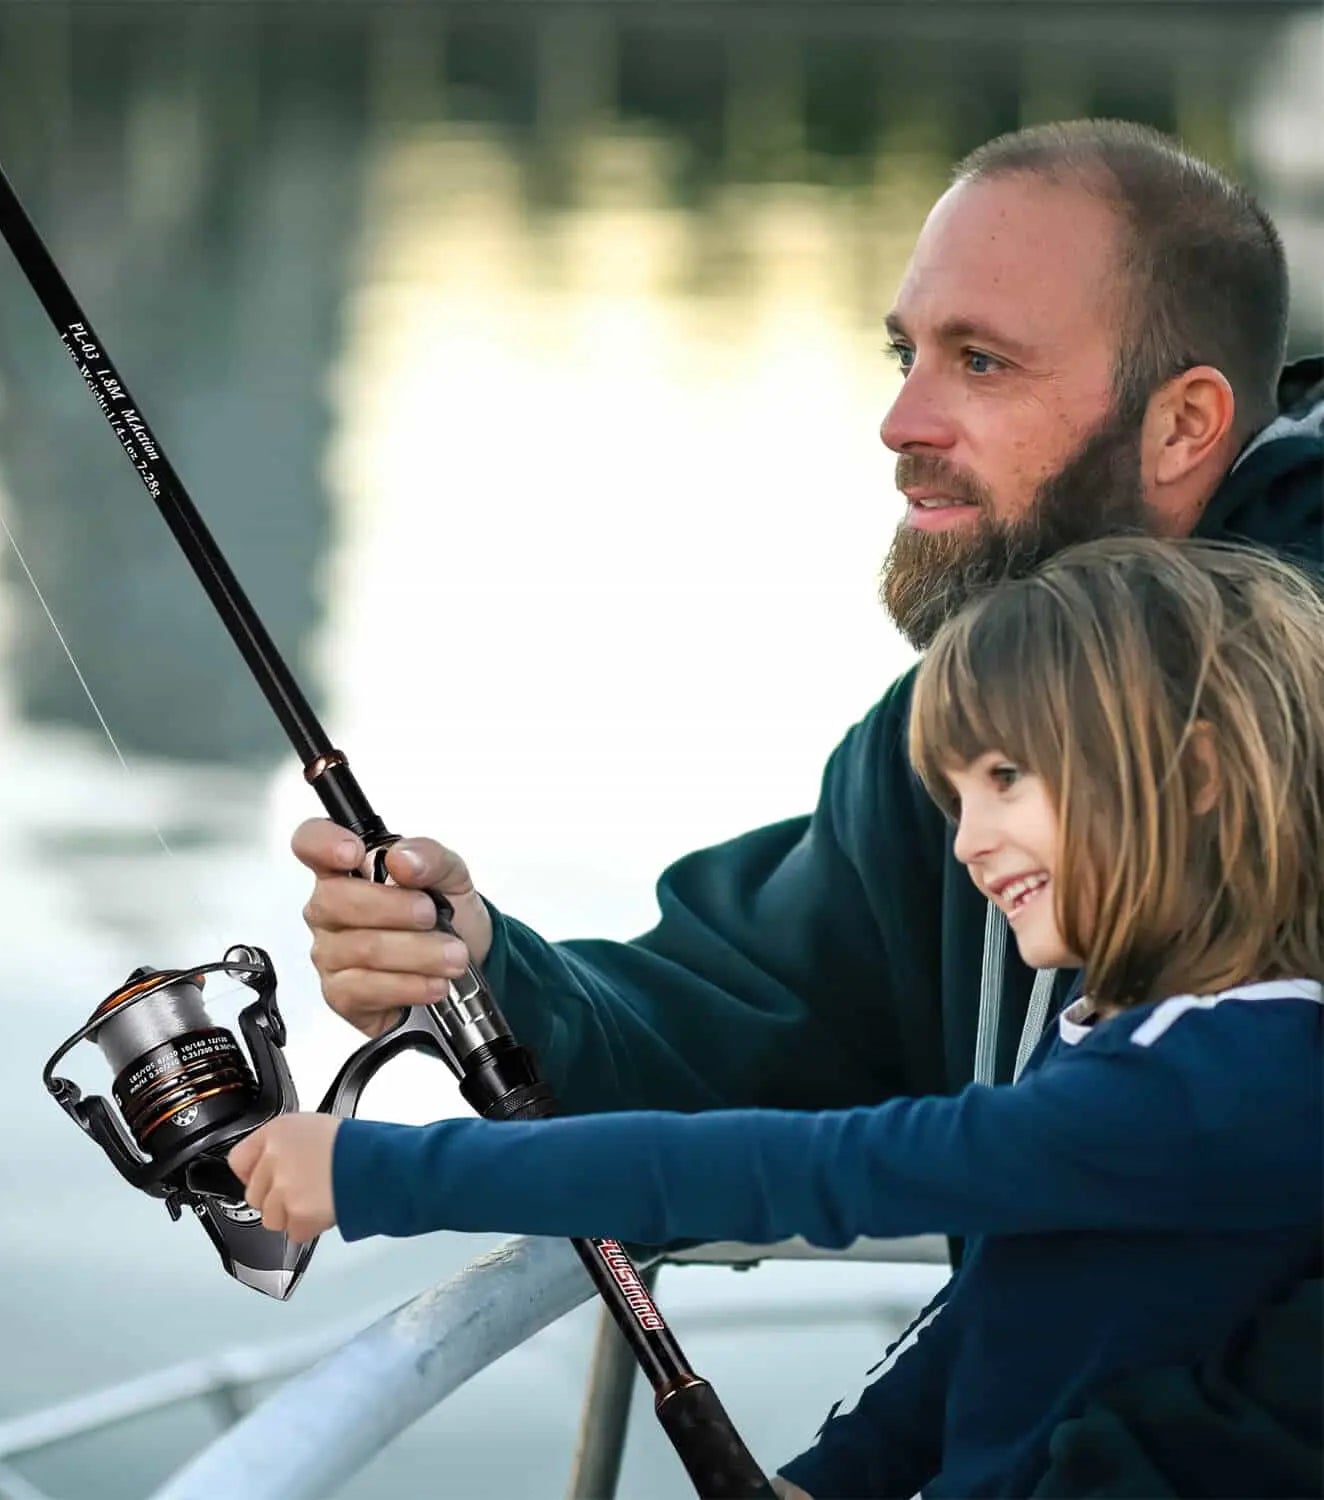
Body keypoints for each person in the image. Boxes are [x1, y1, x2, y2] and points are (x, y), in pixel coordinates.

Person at [293, 120, 1324, 1491]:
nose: (902, 423)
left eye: (982, 361)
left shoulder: (1277, 716)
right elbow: (762, 1030)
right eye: (907, 356)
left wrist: (364, 1175)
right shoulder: (948, 736)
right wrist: (484, 971)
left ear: (1186, 420)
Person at [232, 537, 1324, 1498]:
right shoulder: (1133, 1025)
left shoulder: (1227, 1078)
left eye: (1007, 779)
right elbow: (1006, 1307)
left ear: (1199, 774)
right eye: (958, 796)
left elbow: (803, 1168)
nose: (968, 843)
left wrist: (376, 1173)